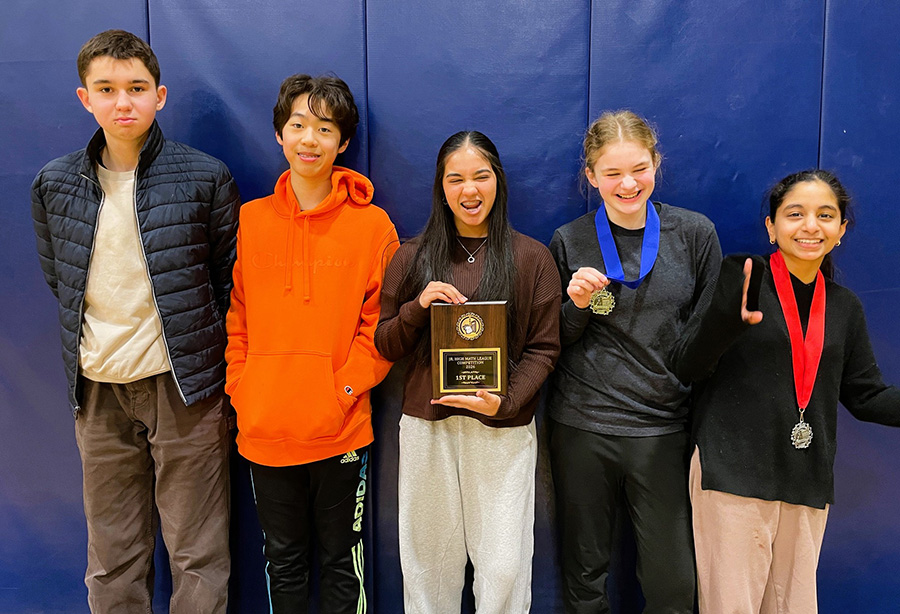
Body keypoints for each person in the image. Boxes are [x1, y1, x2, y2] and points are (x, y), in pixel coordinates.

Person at [29, 29, 238, 612]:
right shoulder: (54, 183)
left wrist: (194, 355)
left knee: (198, 553)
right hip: (97, 391)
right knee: (112, 554)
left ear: (160, 96)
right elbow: (62, 282)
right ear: (85, 98)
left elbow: (225, 281)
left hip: (185, 389)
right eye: (107, 88)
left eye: (137, 88)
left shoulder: (205, 177)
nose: (124, 102)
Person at [672, 169, 900, 614]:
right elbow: (688, 366)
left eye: (825, 215)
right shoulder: (742, 277)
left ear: (841, 230)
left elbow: (866, 394)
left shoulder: (844, 306)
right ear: (771, 227)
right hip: (732, 473)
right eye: (795, 214)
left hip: (805, 478)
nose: (810, 226)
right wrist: (725, 324)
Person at [225, 73, 398, 613]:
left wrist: (341, 388)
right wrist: (244, 389)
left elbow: (383, 328)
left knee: (343, 561)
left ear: (342, 143)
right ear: (280, 134)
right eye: (298, 124)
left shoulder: (373, 227)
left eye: (324, 128)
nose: (309, 139)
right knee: (284, 562)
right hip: (264, 430)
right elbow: (238, 319)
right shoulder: (250, 220)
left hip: (340, 428)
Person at [374, 131, 561, 613]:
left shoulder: (532, 258)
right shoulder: (411, 257)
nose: (469, 190)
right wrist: (419, 307)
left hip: (501, 430)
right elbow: (386, 344)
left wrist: (507, 401)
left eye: (480, 176)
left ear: (498, 181)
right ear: (440, 186)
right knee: (428, 568)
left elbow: (544, 350)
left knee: (503, 567)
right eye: (455, 179)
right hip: (427, 428)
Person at [547, 110, 721, 614]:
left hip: (662, 429)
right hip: (582, 426)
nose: (628, 184)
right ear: (590, 176)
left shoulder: (693, 233)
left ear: (656, 164)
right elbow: (553, 341)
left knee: (672, 587)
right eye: (612, 172)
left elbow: (707, 337)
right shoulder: (569, 239)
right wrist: (575, 305)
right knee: (585, 576)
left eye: (639, 169)